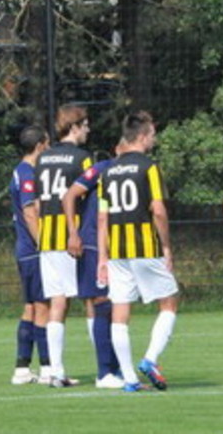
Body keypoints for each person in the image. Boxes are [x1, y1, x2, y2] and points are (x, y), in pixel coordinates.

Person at [97, 111, 178, 393]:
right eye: (152, 134)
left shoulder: (107, 171)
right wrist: (166, 246)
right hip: (145, 248)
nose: (154, 139)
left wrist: (102, 257)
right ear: (142, 136)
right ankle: (150, 359)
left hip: (117, 252)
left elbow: (102, 218)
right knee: (169, 303)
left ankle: (130, 379)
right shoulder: (149, 168)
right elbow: (158, 210)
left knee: (120, 312)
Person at [35, 104, 92, 388]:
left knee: (58, 302)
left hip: (47, 237)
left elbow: (38, 202)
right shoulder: (82, 158)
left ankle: (55, 371)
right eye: (85, 125)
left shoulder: (42, 158)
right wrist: (77, 233)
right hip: (73, 237)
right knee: (93, 299)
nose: (88, 130)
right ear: (74, 127)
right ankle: (108, 368)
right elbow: (89, 198)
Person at [62, 142, 123, 389]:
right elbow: (69, 195)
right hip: (93, 244)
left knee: (116, 306)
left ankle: (116, 369)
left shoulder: (137, 170)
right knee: (102, 303)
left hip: (117, 247)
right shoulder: (101, 168)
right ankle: (104, 372)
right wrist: (73, 233)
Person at [9, 125, 51, 385]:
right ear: (39, 146)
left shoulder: (20, 171)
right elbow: (29, 212)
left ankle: (22, 369)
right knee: (44, 306)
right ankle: (47, 368)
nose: (49, 149)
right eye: (47, 145)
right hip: (33, 251)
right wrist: (43, 244)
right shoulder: (27, 173)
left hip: (24, 249)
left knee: (31, 308)